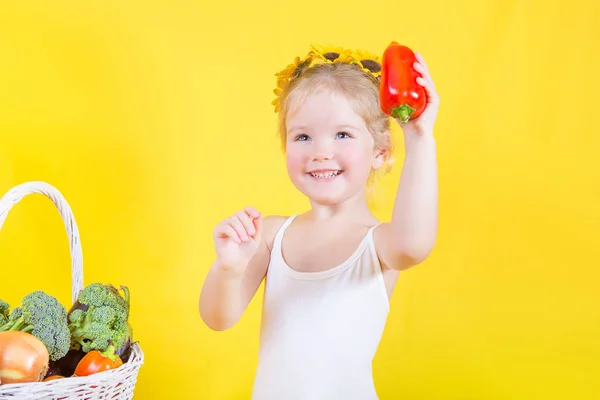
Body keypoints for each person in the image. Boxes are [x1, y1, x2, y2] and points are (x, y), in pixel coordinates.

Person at [199, 44, 440, 399]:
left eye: (342, 134)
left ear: (380, 152)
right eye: (303, 136)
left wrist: (419, 137)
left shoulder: (380, 244)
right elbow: (218, 318)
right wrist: (229, 268)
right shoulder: (269, 236)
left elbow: (414, 245)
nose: (320, 151)